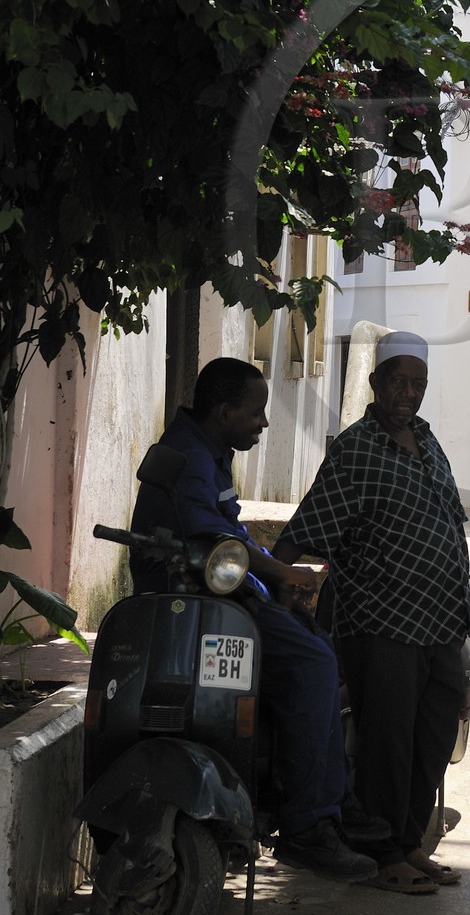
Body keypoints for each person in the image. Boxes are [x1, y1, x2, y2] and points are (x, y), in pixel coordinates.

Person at [129, 357, 381, 877]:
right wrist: (285, 575)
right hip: (198, 607)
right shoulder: (191, 457)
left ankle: (327, 799)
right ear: (224, 412)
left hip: (219, 594)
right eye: (255, 412)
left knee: (317, 648)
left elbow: (232, 538)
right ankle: (310, 824)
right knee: (313, 662)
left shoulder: (206, 448)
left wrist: (272, 583)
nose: (263, 423)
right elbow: (220, 544)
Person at [273, 330, 470, 897]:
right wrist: (266, 580)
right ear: (375, 383)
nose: (408, 393)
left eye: (417, 384)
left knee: (430, 744)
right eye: (398, 382)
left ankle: (410, 844)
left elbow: (450, 532)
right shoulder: (357, 450)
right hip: (382, 624)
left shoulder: (428, 442)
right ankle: (383, 856)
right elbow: (306, 527)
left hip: (440, 625)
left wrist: (463, 634)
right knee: (386, 746)